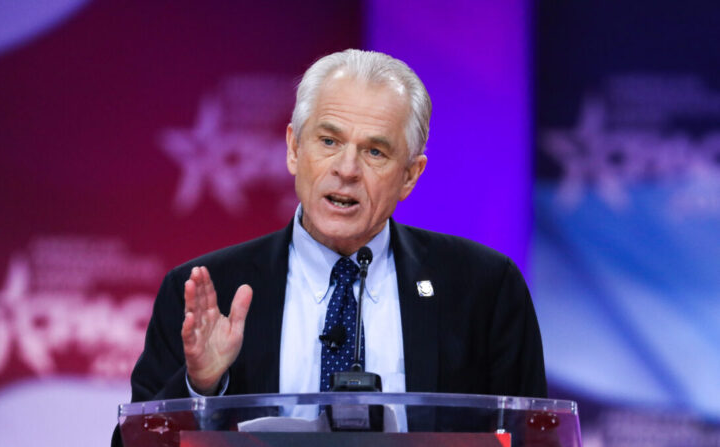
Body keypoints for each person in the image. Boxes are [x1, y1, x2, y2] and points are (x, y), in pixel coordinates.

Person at [113, 49, 546, 444]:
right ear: (294, 149)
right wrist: (200, 387)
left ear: (410, 176)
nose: (347, 169)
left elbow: (535, 439)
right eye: (329, 141)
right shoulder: (206, 294)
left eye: (375, 151)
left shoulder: (484, 290)